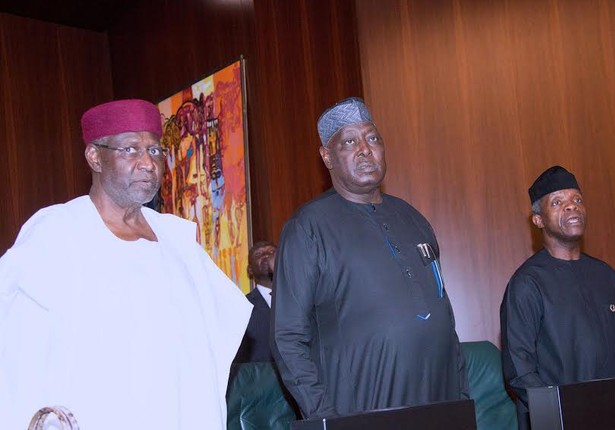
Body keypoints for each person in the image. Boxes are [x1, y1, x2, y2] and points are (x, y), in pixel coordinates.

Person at [0, 99, 252, 429]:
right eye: (130, 150)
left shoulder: (177, 240)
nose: (148, 163)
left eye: (155, 151)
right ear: (95, 157)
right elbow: (15, 345)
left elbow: (213, 343)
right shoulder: (58, 232)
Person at [271, 97, 468, 419]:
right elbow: (287, 337)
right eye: (349, 142)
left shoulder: (413, 219)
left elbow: (444, 315)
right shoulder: (308, 227)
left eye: (373, 138)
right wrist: (324, 416)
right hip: (361, 410)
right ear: (327, 156)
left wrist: (461, 399)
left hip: (441, 404)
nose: (365, 149)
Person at [500, 165, 615, 429]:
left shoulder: (606, 275)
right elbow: (520, 373)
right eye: (558, 202)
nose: (571, 207)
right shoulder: (526, 283)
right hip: (561, 422)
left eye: (577, 200)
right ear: (538, 220)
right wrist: (569, 412)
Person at [234, 240, 278, 363]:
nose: (266, 255)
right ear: (250, 270)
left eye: (271, 252)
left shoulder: (300, 298)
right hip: (260, 379)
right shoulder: (241, 306)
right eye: (259, 254)